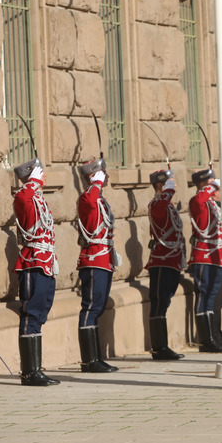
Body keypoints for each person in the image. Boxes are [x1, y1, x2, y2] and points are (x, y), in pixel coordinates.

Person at [12, 158, 60, 386]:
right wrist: (31, 183)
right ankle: (29, 372)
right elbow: (21, 198)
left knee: (39, 315)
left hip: (45, 261)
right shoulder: (26, 196)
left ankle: (36, 369)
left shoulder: (39, 199)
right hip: (33, 262)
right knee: (31, 314)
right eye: (41, 173)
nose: (44, 176)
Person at [76, 158, 120, 373]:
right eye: (103, 173)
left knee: (98, 307)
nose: (107, 176)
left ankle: (96, 357)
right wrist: (95, 184)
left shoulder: (100, 199)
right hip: (93, 258)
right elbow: (90, 204)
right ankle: (89, 360)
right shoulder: (87, 197)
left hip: (104, 258)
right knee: (91, 307)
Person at [144, 169, 187, 360]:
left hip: (172, 259)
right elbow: (161, 210)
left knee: (165, 302)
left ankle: (162, 346)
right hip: (161, 260)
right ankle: (159, 348)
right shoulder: (157, 204)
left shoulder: (168, 205)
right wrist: (168, 191)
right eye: (170, 183)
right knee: (159, 303)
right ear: (161, 186)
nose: (174, 186)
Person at [189, 168, 222, 353]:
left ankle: (212, 336)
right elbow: (199, 199)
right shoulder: (199, 201)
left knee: (211, 297)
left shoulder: (212, 203)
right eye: (211, 183)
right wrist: (211, 186)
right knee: (204, 296)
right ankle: (205, 340)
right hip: (203, 255)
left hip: (215, 255)